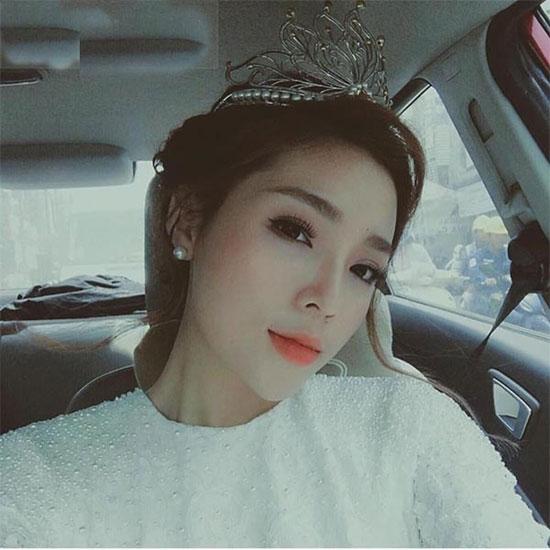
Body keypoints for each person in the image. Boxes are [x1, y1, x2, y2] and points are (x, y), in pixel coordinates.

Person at [1, 2, 549, 548]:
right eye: (295, 231)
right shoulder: (30, 485)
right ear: (188, 220)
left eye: (364, 269)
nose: (327, 299)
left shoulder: (413, 430)